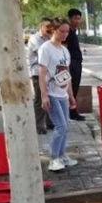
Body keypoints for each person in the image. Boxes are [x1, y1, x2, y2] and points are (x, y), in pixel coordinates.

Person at [38, 17, 78, 172]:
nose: (64, 34)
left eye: (67, 32)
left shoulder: (65, 50)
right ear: (53, 30)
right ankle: (54, 158)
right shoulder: (46, 49)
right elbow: (41, 74)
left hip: (62, 94)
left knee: (66, 126)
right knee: (60, 126)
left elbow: (66, 74)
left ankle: (62, 155)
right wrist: (44, 95)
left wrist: (71, 94)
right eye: (61, 31)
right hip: (51, 93)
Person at [27, 17, 53, 134]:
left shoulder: (49, 38)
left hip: (49, 73)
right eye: (47, 27)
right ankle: (38, 125)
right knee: (39, 99)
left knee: (49, 97)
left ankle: (49, 122)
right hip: (38, 73)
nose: (49, 29)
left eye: (51, 28)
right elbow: (44, 53)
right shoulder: (35, 39)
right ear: (41, 26)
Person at [65, 8, 85, 121]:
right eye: (75, 18)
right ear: (70, 19)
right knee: (69, 88)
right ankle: (71, 112)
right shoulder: (67, 32)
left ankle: (72, 111)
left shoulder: (73, 31)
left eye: (79, 18)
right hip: (70, 64)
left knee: (75, 88)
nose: (77, 21)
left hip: (77, 63)